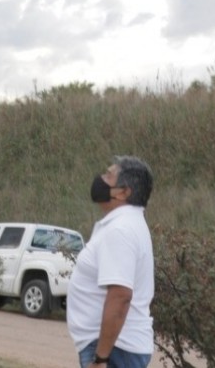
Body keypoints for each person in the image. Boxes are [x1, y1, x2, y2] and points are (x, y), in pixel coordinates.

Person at [67, 155, 155, 368]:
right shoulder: (126, 223)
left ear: (124, 192)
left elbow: (121, 295)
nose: (101, 179)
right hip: (117, 348)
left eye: (109, 176)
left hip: (116, 350)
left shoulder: (120, 230)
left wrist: (101, 358)